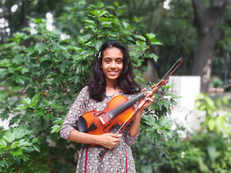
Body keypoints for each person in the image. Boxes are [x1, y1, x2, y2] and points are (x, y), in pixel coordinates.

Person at [60, 40, 154, 173]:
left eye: (118, 61)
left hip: (121, 164)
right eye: (108, 60)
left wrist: (139, 110)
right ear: (101, 64)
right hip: (92, 163)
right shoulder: (88, 92)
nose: (113, 66)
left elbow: (131, 140)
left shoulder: (132, 94)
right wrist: (99, 139)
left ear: (124, 64)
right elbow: (65, 130)